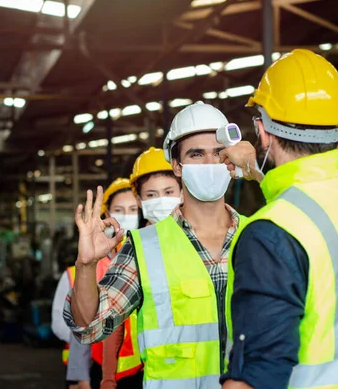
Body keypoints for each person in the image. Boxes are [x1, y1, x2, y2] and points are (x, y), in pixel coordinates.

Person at [219, 49, 338, 389]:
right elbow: (310, 213)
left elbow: (254, 379)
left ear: (262, 133)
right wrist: (258, 175)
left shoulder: (269, 236)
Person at [64, 101, 248, 389]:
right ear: (177, 165)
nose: (210, 164)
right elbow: (91, 326)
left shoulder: (260, 235)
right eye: (196, 154)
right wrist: (86, 265)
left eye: (219, 153)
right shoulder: (144, 246)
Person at [100, 147, 182, 389]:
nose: (161, 200)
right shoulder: (134, 248)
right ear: (140, 200)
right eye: (152, 194)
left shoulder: (204, 238)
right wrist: (107, 376)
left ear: (182, 192)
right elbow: (111, 320)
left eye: (168, 192)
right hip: (145, 371)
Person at [53, 178, 142, 389]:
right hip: (97, 371)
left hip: (142, 371)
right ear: (107, 214)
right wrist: (78, 374)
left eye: (132, 209)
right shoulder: (89, 266)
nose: (126, 215)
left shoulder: (148, 257)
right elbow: (73, 327)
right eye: (119, 209)